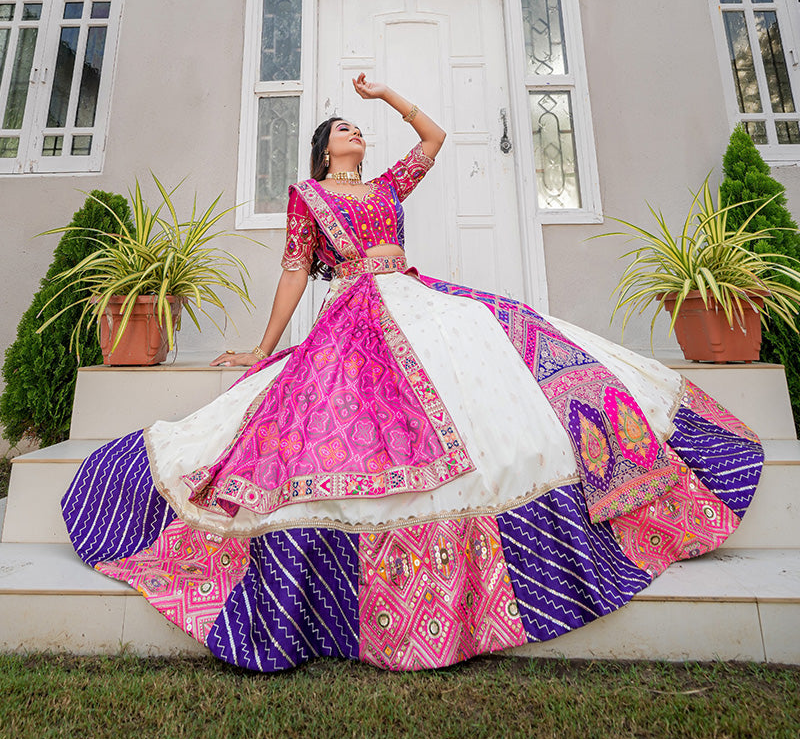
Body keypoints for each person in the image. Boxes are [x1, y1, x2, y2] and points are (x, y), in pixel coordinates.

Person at [62, 76, 764, 672]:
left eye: (359, 126)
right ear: (324, 147)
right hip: (356, 315)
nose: (354, 131)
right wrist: (260, 346)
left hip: (416, 295)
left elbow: (432, 139)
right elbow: (295, 272)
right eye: (344, 127)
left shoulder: (390, 185)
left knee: (518, 337)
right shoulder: (308, 196)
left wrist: (388, 94)